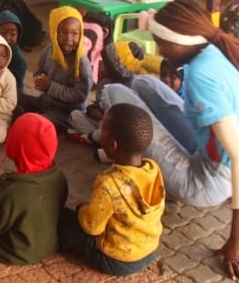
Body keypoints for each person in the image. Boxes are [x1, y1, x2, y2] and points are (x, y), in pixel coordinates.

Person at [105, 0, 239, 281]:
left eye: (161, 42)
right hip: (214, 160)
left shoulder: (201, 76)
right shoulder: (222, 51)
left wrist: (238, 241)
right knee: (143, 82)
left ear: (179, 40)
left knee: (115, 91)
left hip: (203, 182)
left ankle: (120, 147)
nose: (159, 50)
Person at [58, 103, 165, 276]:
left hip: (117, 261)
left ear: (112, 145)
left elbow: (92, 227)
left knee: (65, 217)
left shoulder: (109, 183)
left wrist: (81, 210)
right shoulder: (153, 169)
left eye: (103, 131)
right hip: (149, 251)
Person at [0, 113, 68, 265]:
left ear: (16, 144)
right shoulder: (59, 177)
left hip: (14, 252)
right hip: (49, 245)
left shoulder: (13, 189)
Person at [13, 6, 93, 133]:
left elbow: (80, 96)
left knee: (39, 123)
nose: (68, 38)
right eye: (62, 33)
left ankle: (29, 120)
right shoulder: (49, 50)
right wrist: (39, 79)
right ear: (54, 32)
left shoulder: (82, 63)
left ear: (81, 33)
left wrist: (50, 86)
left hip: (66, 112)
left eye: (74, 33)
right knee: (13, 97)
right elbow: (40, 71)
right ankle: (25, 118)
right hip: (45, 102)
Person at [67, 41, 147, 147]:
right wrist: (93, 110)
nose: (99, 64)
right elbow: (98, 103)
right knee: (74, 116)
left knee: (112, 130)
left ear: (114, 70)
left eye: (104, 63)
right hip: (104, 125)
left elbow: (126, 123)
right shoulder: (105, 82)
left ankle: (90, 139)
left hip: (121, 130)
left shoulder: (129, 90)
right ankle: (106, 143)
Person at [0, 9, 27, 96]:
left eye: (12, 34)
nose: (7, 37)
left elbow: (14, 86)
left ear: (18, 35)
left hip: (11, 94)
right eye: (3, 33)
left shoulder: (20, 61)